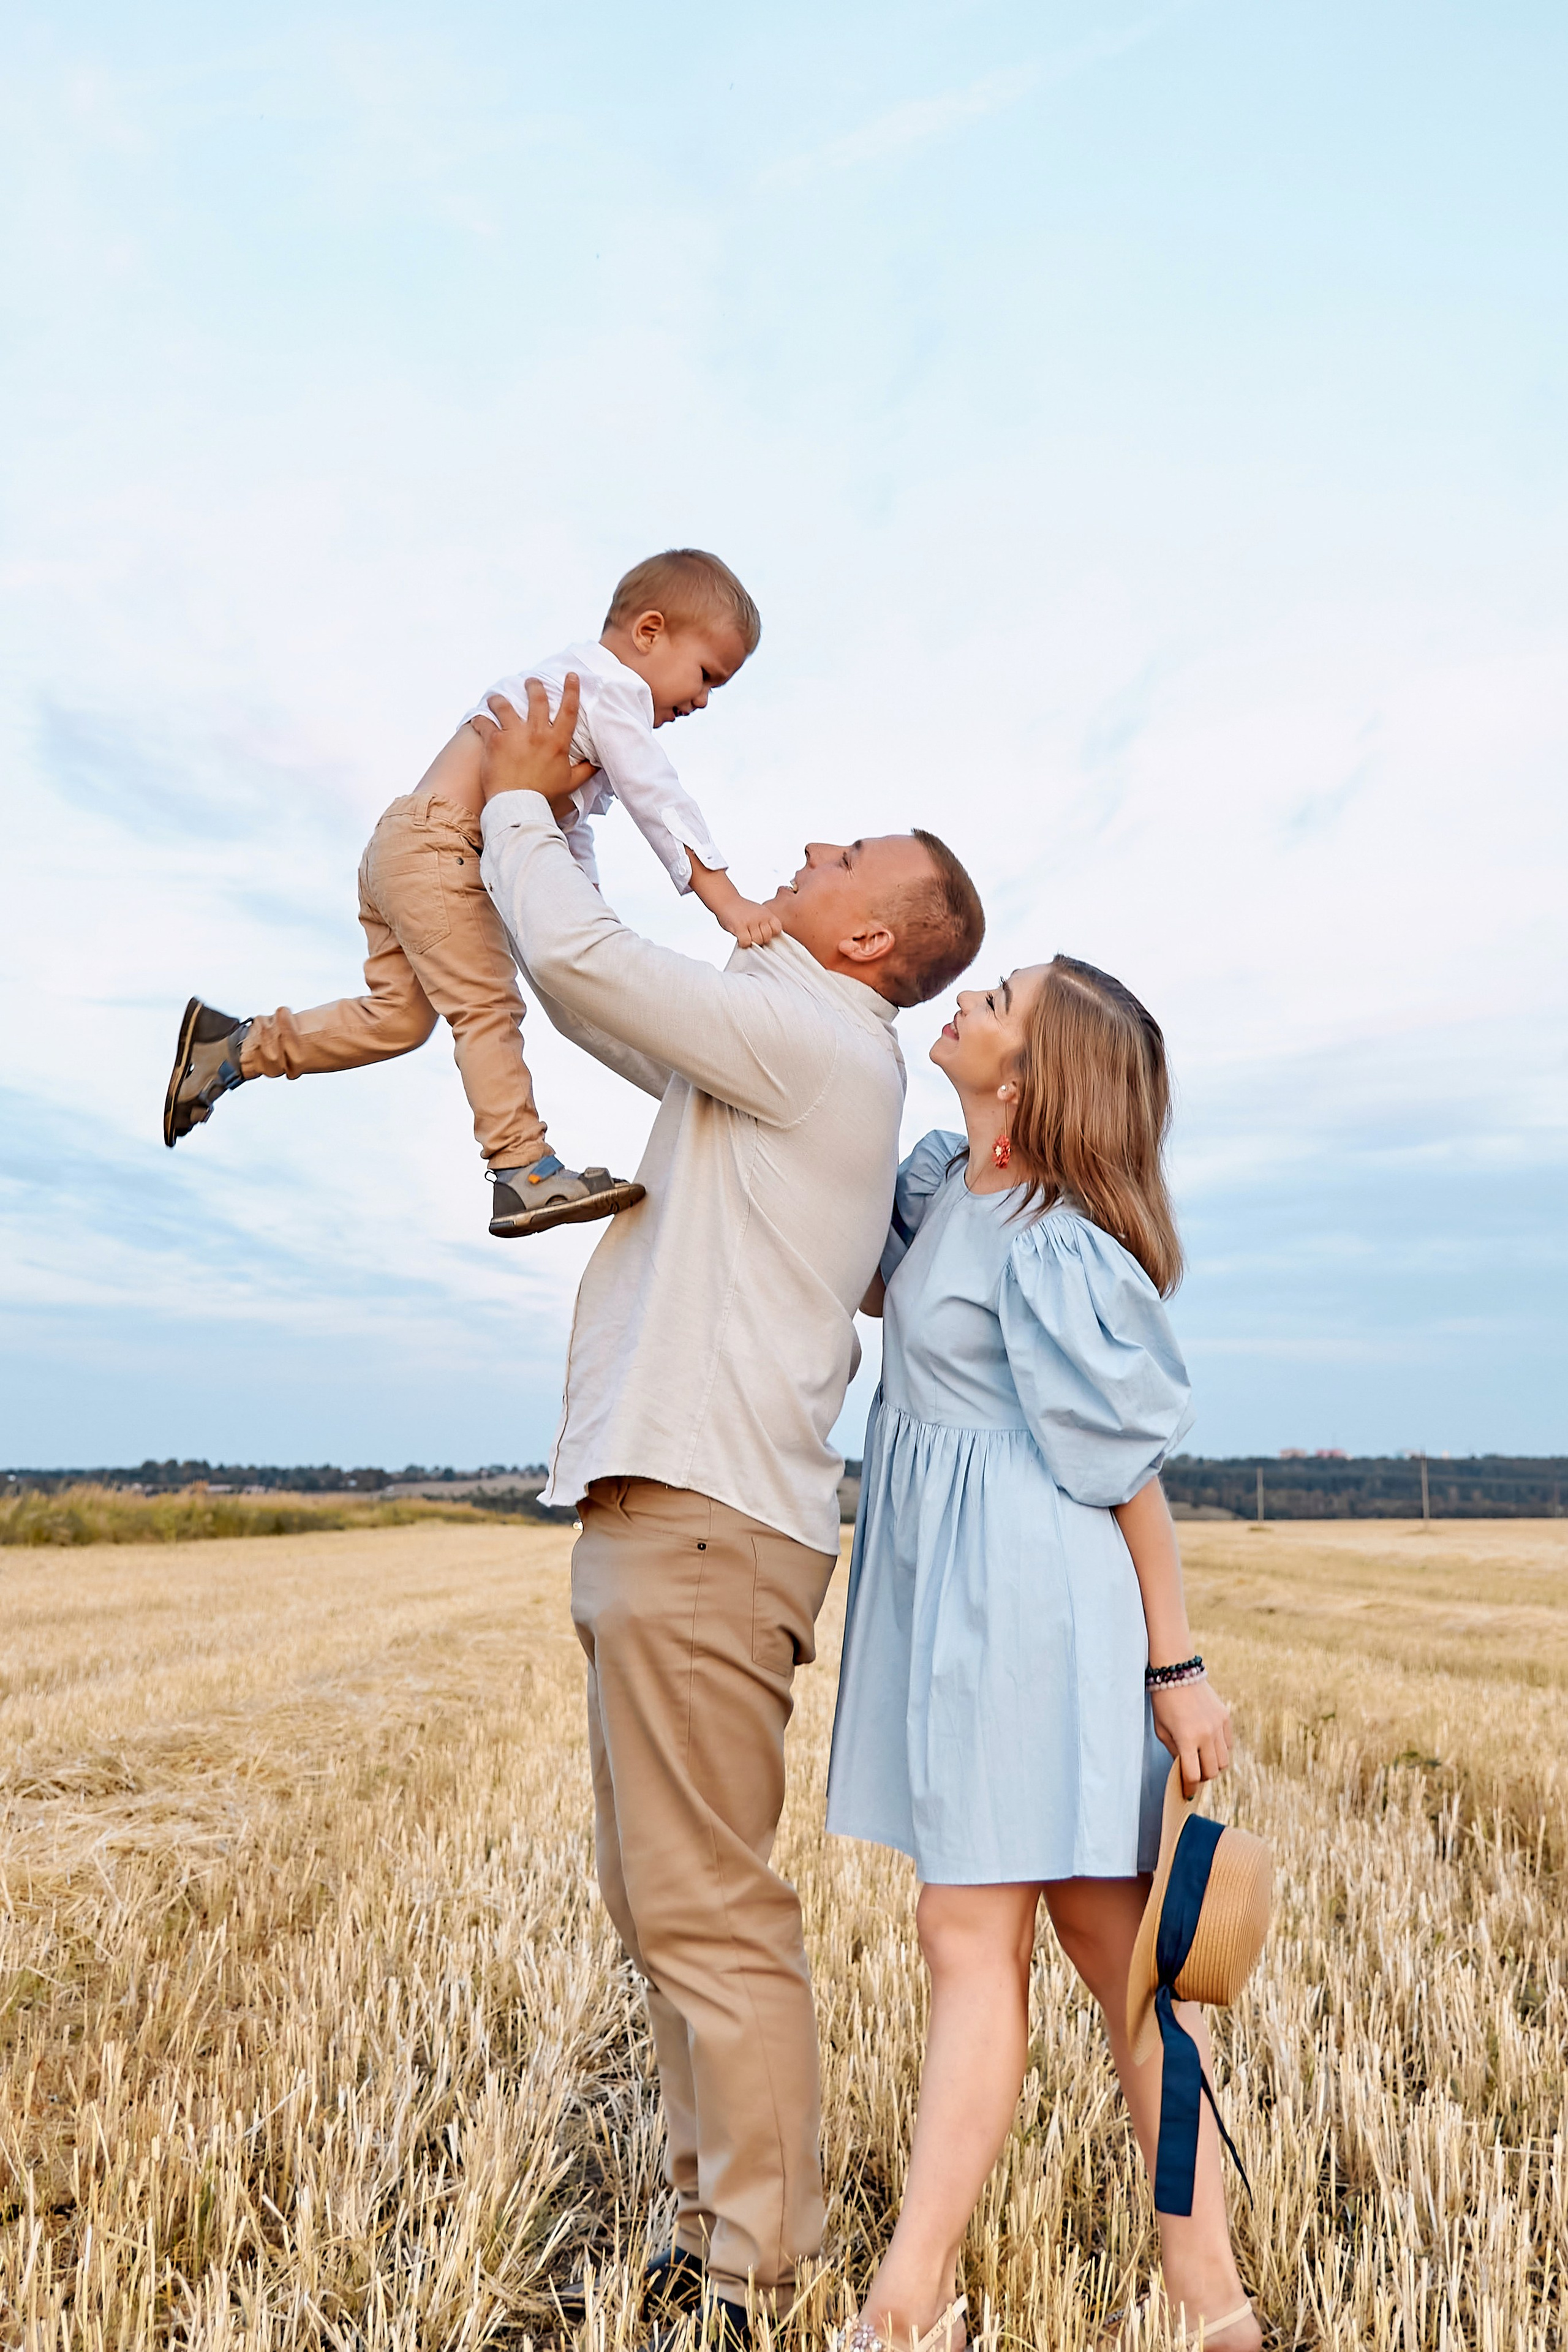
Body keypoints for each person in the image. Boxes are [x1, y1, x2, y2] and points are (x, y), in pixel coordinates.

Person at [473, 673, 986, 2346]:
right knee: (667, 1901)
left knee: (705, 1907)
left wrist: (515, 802)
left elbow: (586, 969)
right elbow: (613, 999)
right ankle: (719, 2237)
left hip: (704, 1524)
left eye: (845, 857)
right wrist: (573, 831)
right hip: (679, 1515)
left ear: (865, 941)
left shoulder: (818, 1042)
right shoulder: (789, 1039)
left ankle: (752, 2272)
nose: (812, 844)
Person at [826, 957, 1261, 2352]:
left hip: (1030, 1616)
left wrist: (1175, 1667)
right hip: (957, 1602)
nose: (965, 1000)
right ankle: (1208, 2304)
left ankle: (915, 2307)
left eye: (997, 999)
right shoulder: (946, 1186)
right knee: (1078, 1951)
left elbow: (1128, 1480)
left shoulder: (1056, 1243)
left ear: (1030, 1076)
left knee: (1051, 1950)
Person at [162, 548, 782, 1237]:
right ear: (650, 632)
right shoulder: (611, 691)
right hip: (443, 847)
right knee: (487, 1006)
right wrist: (727, 900)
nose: (703, 700)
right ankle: (523, 1169)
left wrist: (589, 919)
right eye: (706, 676)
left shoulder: (563, 684)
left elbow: (556, 828)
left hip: (404, 845)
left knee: (399, 1020)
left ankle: (231, 1048)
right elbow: (658, 798)